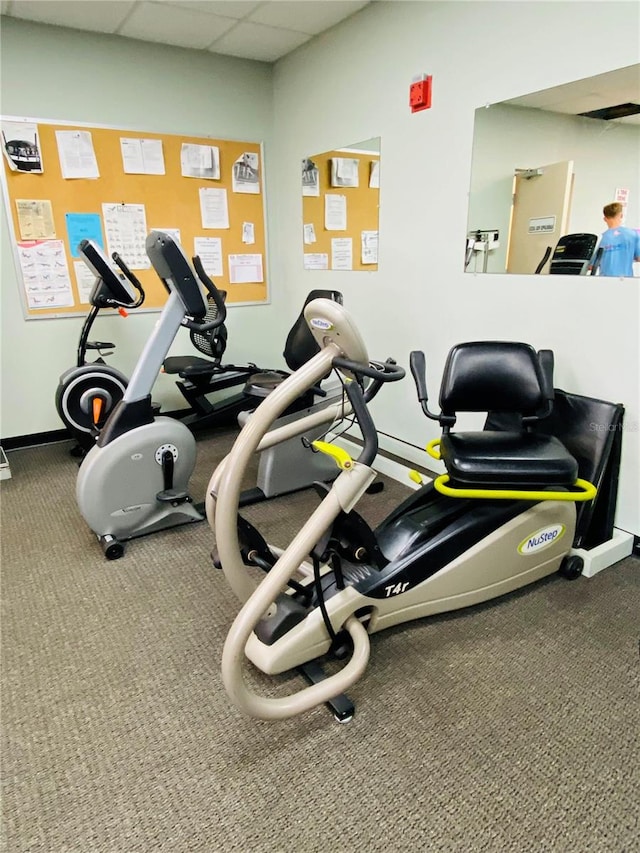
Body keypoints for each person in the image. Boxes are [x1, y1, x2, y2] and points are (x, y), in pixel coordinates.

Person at [592, 202, 640, 276]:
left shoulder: (601, 239)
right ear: (621, 215)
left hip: (605, 281)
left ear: (605, 219)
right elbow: (638, 258)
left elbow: (591, 266)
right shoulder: (633, 234)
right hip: (626, 280)